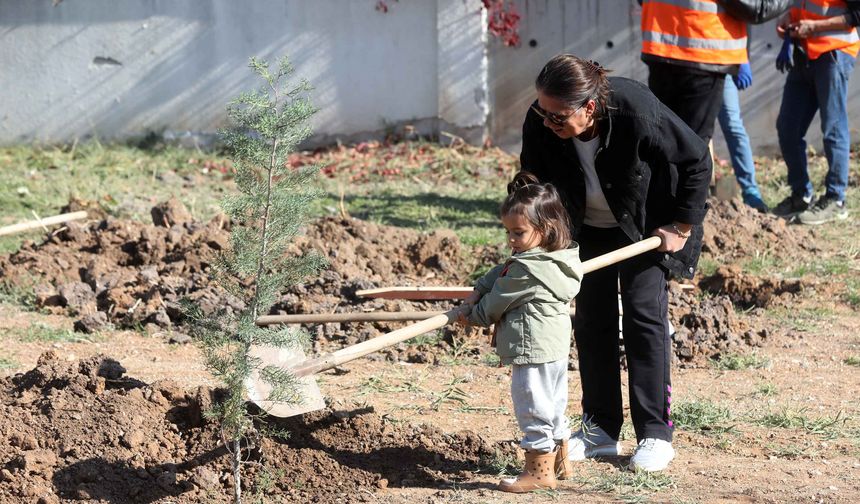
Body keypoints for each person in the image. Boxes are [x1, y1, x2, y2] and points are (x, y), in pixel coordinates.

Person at [520, 54, 712, 472]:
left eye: (558, 116)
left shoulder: (635, 110)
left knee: (644, 319)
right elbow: (532, 179)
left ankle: (655, 435)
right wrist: (536, 235)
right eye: (543, 111)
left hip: (645, 228)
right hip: (584, 229)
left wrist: (680, 225)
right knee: (592, 321)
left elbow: (695, 159)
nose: (547, 122)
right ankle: (600, 430)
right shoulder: (541, 121)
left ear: (589, 107)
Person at [456, 171, 583, 493]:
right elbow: (502, 271)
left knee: (531, 403)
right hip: (553, 346)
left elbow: (496, 303)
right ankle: (559, 460)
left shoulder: (527, 271)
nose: (511, 240)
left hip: (531, 345)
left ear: (545, 229)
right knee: (553, 402)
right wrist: (477, 289)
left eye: (518, 233)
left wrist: (472, 316)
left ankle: (538, 472)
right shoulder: (555, 257)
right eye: (508, 232)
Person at [640, 0, 788, 141]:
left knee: (665, 139)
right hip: (701, 57)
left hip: (660, 52)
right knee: (692, 147)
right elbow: (757, 8)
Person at [772, 0, 860, 224]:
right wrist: (790, 16)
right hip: (804, 53)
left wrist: (814, 27)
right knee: (787, 128)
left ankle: (836, 199)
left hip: (834, 54)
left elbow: (856, 15)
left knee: (833, 127)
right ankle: (801, 195)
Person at [718, 55, 769, 211]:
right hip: (690, 66)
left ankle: (750, 191)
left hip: (722, 65)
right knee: (693, 130)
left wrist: (740, 58)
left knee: (733, 126)